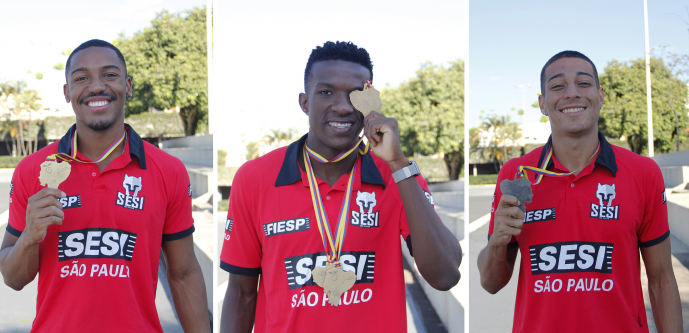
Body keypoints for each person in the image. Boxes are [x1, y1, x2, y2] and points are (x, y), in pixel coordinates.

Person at [219, 41, 462, 333]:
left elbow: (446, 275)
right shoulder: (254, 178)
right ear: (304, 101)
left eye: (357, 95)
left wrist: (399, 164)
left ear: (371, 103)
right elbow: (242, 294)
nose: (344, 106)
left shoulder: (398, 175)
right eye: (326, 92)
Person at [0, 39, 210, 333]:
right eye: (81, 78)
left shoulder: (167, 170)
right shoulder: (34, 170)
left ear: (129, 85)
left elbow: (184, 273)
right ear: (67, 93)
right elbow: (13, 278)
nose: (96, 86)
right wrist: (29, 238)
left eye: (109, 75)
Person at [477, 50, 682, 333]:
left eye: (583, 84)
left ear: (600, 96)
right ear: (542, 104)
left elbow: (660, 279)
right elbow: (490, 283)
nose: (572, 93)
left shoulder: (643, 173)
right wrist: (497, 242)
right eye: (558, 86)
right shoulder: (516, 175)